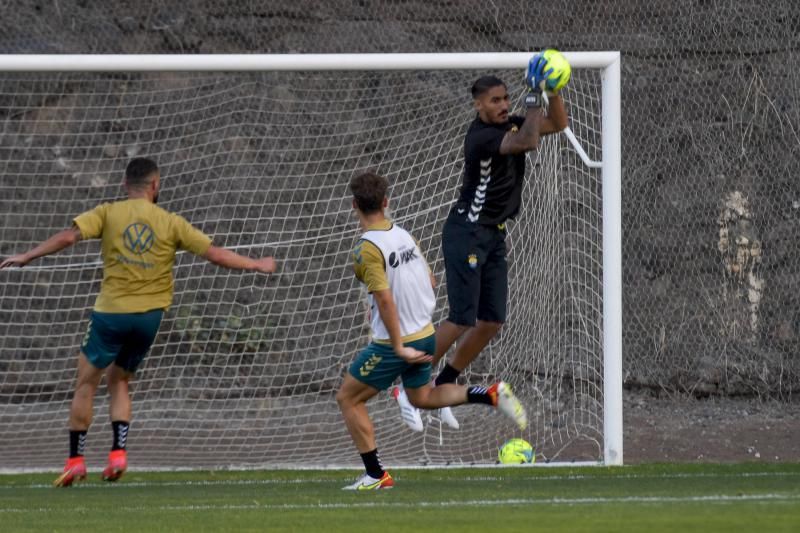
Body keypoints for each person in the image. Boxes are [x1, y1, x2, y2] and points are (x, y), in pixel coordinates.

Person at [0, 157, 277, 487]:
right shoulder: (170, 221)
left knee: (86, 383)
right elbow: (215, 254)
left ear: (124, 184)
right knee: (120, 381)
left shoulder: (108, 212)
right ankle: (118, 454)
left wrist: (27, 256)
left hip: (111, 313)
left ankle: (75, 461)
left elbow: (68, 237)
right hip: (148, 319)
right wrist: (257, 264)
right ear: (156, 185)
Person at [393, 52, 570, 431]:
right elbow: (528, 142)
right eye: (495, 100)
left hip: (494, 235)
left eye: (507, 98)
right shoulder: (481, 137)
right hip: (467, 232)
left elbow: (557, 123)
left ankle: (444, 384)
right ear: (478, 105)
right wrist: (531, 98)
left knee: (491, 321)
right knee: (461, 318)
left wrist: (552, 90)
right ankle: (404, 385)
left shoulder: (512, 123)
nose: (504, 105)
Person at [336, 171, 527, 490]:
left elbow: (384, 299)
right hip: (426, 332)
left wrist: (397, 347)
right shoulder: (404, 235)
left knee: (348, 398)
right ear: (386, 202)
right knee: (422, 397)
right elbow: (430, 280)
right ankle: (490, 394)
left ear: (354, 204)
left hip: (394, 344)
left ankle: (376, 474)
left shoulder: (366, 249)